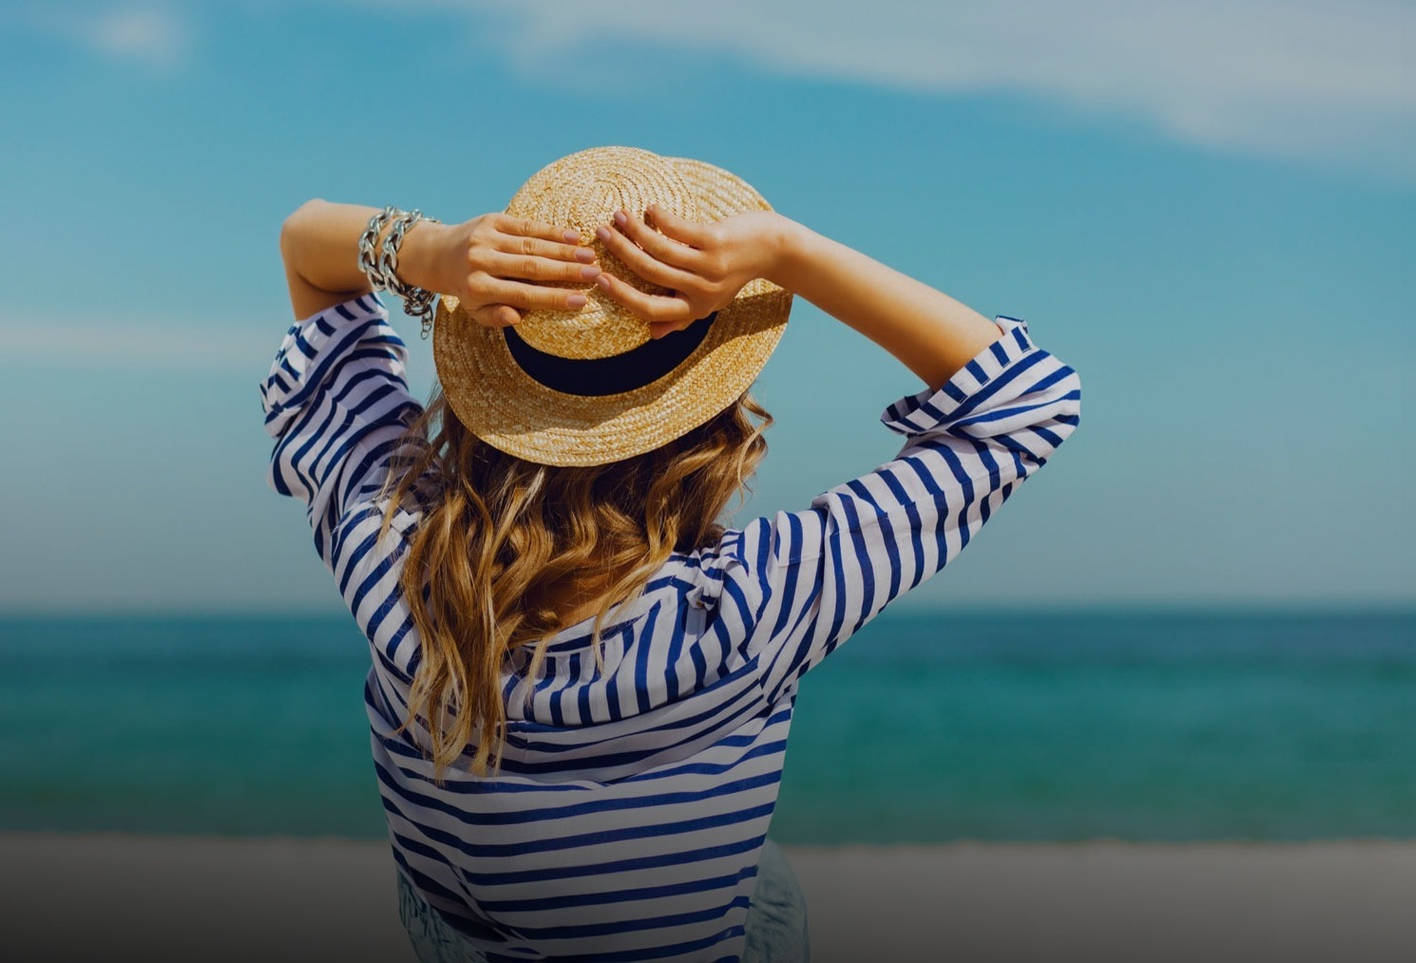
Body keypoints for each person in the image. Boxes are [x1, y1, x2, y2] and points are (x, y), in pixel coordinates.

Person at [262, 147, 1081, 962]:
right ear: (712, 420)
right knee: (765, 882)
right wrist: (789, 250)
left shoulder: (389, 548)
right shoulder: (744, 611)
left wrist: (430, 251)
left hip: (467, 925)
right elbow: (1029, 399)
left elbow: (306, 243)